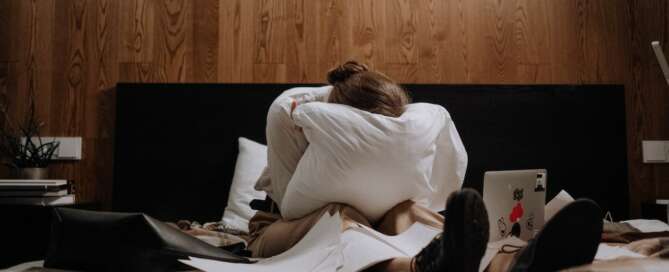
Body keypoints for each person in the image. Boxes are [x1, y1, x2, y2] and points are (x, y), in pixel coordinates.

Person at [247, 61, 604, 272]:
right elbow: (291, 206)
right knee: (339, 217)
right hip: (280, 226)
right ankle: (421, 268)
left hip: (379, 219)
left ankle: (513, 262)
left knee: (409, 211)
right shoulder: (291, 114)